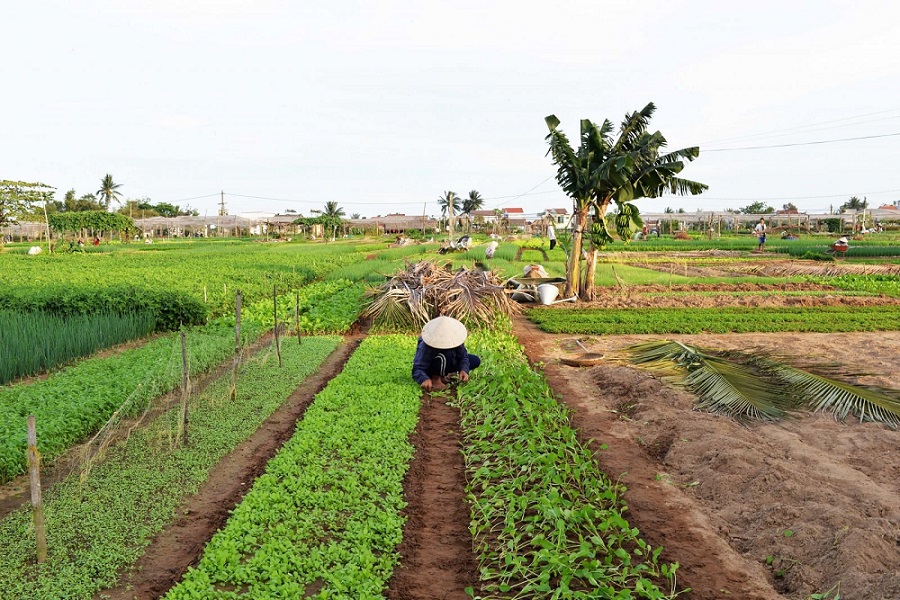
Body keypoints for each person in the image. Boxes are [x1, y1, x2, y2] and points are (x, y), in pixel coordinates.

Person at [412, 316, 480, 392]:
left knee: (475, 360)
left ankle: (444, 374)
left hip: (449, 361)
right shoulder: (425, 345)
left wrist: (464, 370)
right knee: (445, 355)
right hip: (431, 366)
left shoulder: (455, 339)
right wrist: (424, 379)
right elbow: (417, 368)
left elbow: (463, 357)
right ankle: (435, 379)